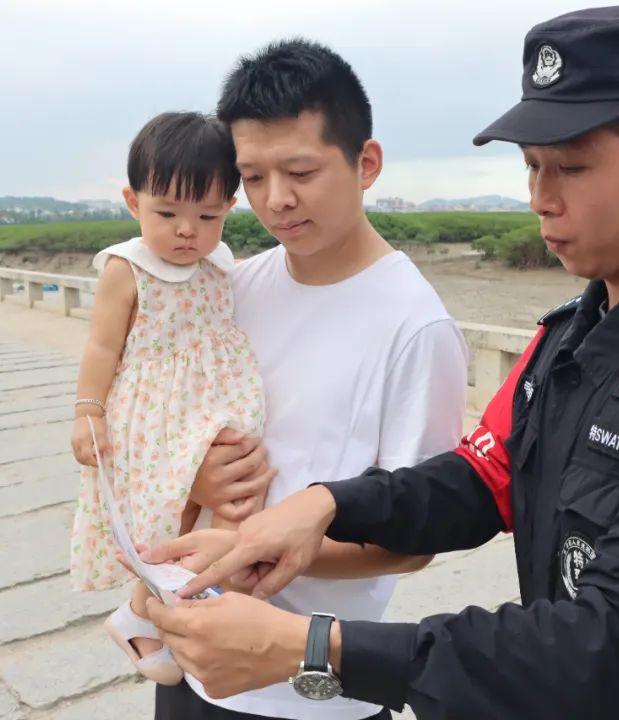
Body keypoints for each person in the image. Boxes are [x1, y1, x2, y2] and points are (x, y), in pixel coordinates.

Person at [142, 4, 619, 720]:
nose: (540, 200)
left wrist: (316, 647)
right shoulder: (571, 337)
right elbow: (480, 480)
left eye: (570, 168)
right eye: (531, 167)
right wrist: (326, 505)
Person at [150, 39, 470, 720]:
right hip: (192, 663)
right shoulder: (233, 289)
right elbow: (170, 423)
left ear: (366, 163)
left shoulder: (416, 327)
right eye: (253, 177)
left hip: (311, 692)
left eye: (301, 171)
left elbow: (414, 541)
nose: (277, 200)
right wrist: (193, 479)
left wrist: (255, 550)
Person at [68, 111, 268, 686]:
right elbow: (102, 346)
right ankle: (147, 610)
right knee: (167, 516)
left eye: (207, 216)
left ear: (229, 207)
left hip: (214, 405)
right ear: (134, 202)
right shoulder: (127, 269)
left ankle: (182, 602)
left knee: (231, 499)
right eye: (167, 214)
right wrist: (88, 411)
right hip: (155, 415)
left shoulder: (220, 265)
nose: (187, 231)